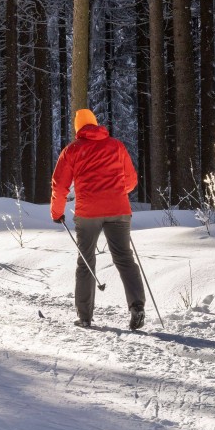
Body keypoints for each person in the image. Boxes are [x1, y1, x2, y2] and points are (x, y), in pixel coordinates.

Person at [50, 109, 146, 330]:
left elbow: (60, 185)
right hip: (119, 210)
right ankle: (137, 306)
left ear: (78, 129)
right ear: (95, 124)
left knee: (86, 260)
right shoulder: (116, 146)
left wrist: (57, 212)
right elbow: (131, 181)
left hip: (88, 213)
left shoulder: (72, 150)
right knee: (124, 258)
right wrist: (114, 192)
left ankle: (84, 316)